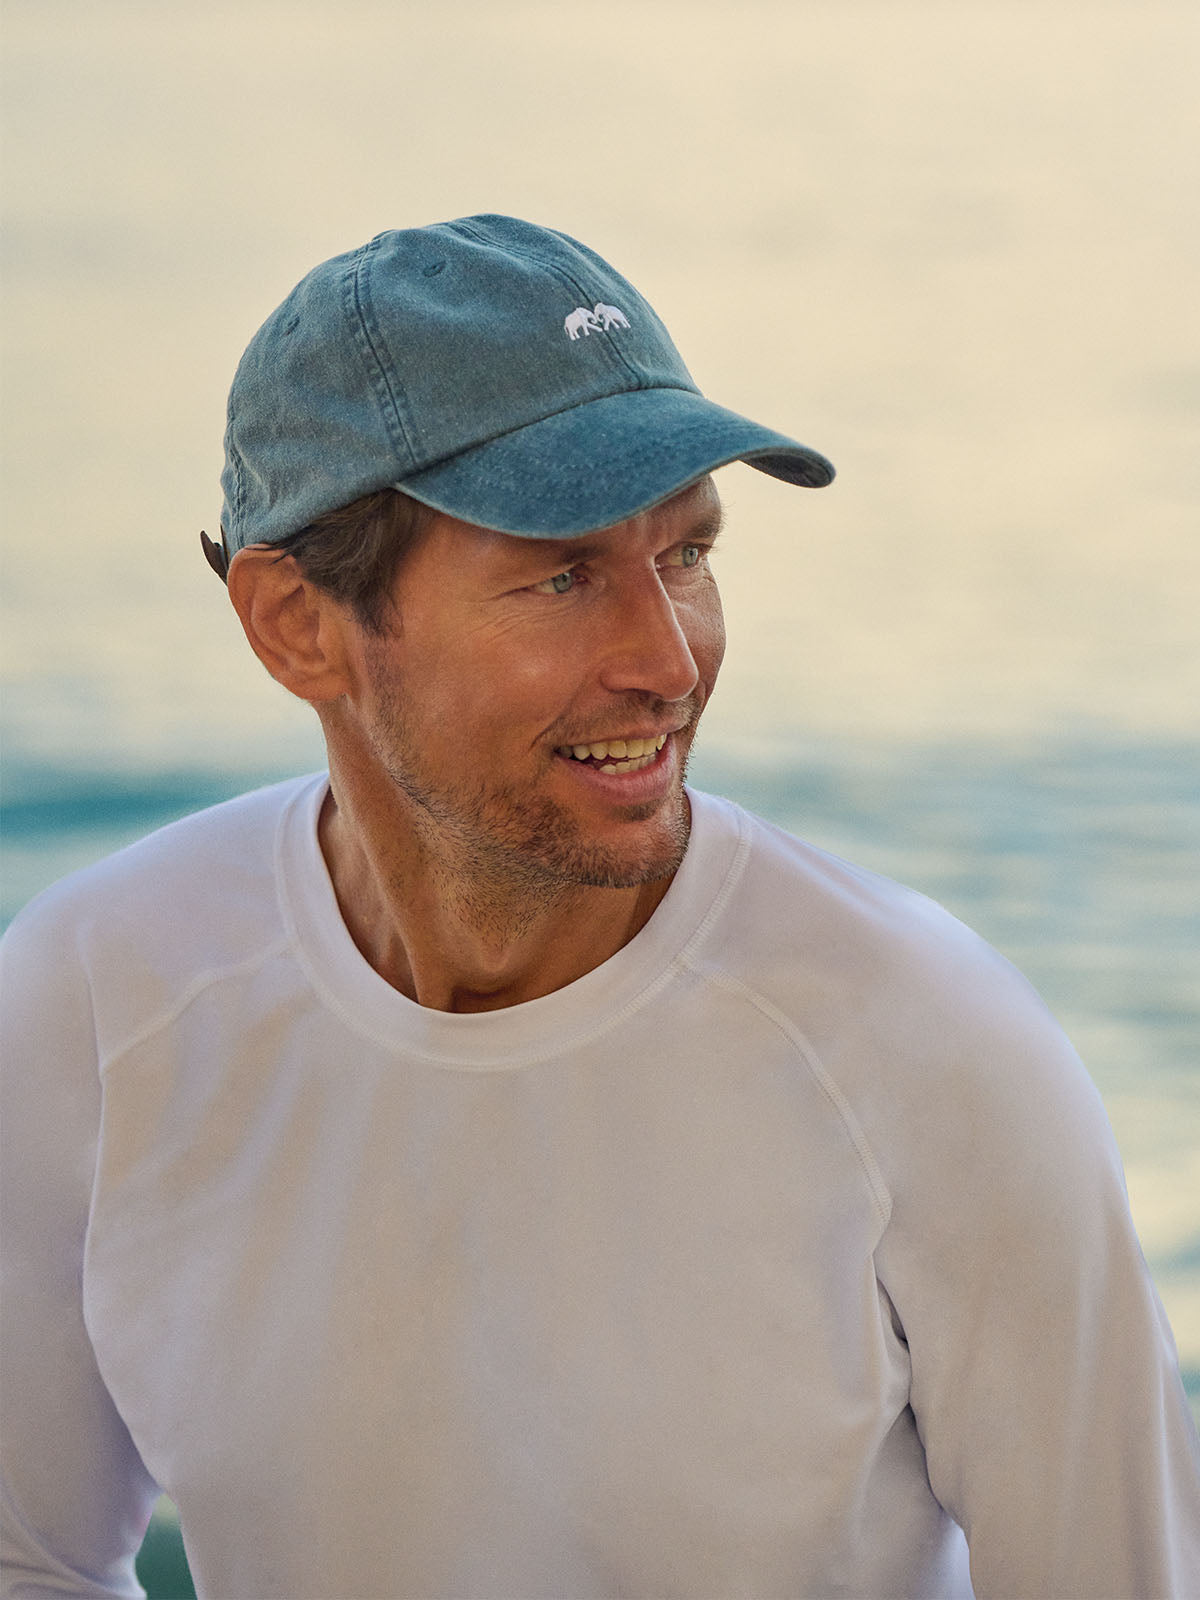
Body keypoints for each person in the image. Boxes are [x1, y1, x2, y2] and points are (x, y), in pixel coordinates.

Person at [1, 215, 1197, 1600]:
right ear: (297, 626)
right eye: (563, 576)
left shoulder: (927, 1045)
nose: (669, 661)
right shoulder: (96, 1002)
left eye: (686, 555)